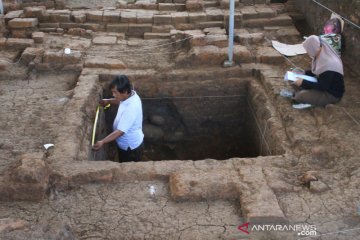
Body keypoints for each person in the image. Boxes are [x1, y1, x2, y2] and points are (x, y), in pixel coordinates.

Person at [280, 35, 344, 109]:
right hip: (321, 84)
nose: (308, 52)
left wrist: (303, 82)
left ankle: (310, 100)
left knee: (300, 96)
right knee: (292, 79)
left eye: (308, 50)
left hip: (330, 94)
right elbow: (318, 71)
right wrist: (303, 72)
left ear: (313, 48)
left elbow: (323, 86)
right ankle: (309, 96)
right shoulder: (321, 55)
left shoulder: (330, 63)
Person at [92, 75, 144, 162]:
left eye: (115, 92)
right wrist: (108, 101)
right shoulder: (131, 94)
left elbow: (120, 132)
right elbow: (120, 100)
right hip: (125, 144)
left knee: (127, 168)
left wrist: (103, 142)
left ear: (124, 91)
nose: (113, 94)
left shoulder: (131, 108)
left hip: (130, 148)